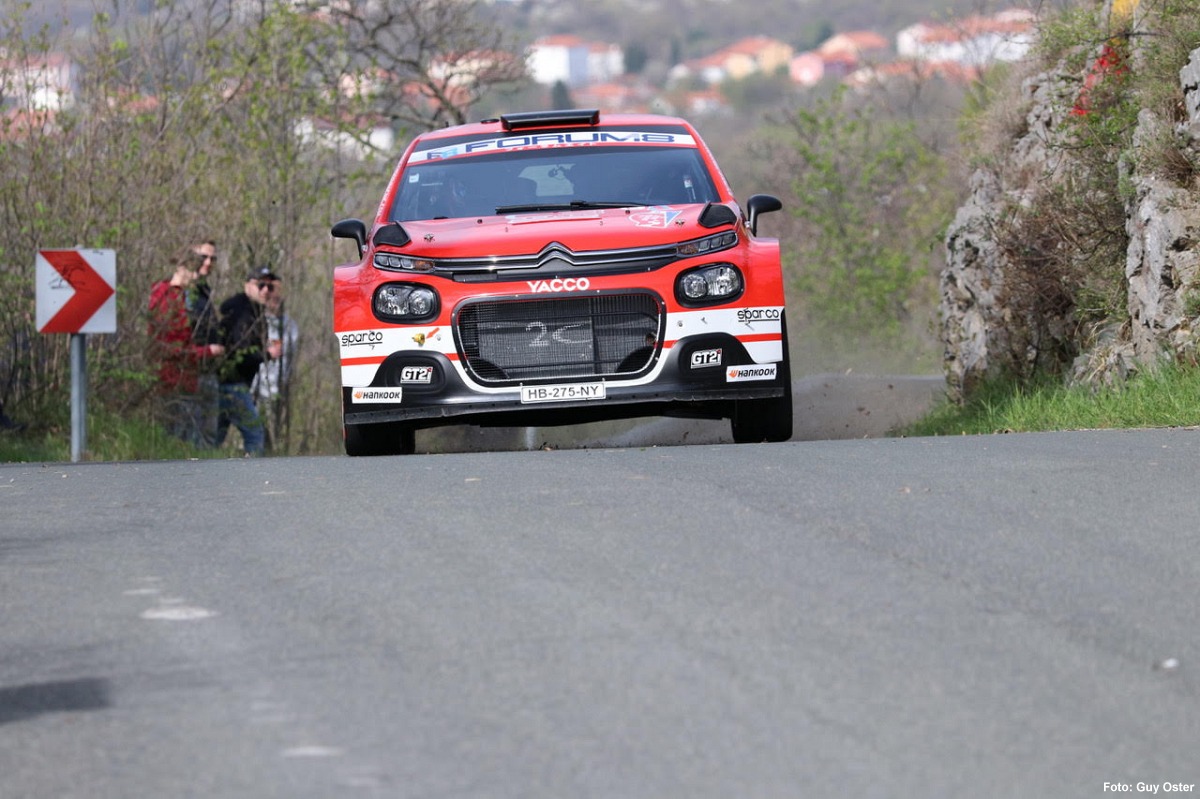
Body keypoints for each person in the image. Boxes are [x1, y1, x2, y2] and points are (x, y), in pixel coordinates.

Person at [148, 247, 225, 446]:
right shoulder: (168, 298)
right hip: (173, 382)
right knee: (180, 441)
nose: (194, 277)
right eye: (192, 271)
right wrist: (206, 351)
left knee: (188, 441)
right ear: (181, 268)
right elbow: (170, 348)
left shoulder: (179, 297)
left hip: (185, 380)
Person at [214, 266, 281, 456]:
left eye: (270, 287)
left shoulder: (253, 312)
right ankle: (254, 473)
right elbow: (240, 352)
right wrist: (267, 354)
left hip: (229, 383)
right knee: (255, 435)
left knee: (215, 438)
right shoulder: (242, 312)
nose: (265, 290)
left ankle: (203, 468)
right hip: (232, 384)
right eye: (261, 285)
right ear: (248, 286)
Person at [251, 272, 299, 453]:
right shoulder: (258, 322)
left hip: (278, 391)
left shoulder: (289, 326)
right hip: (257, 390)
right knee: (256, 432)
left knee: (273, 436)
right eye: (268, 289)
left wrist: (286, 383)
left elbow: (291, 359)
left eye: (275, 289)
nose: (272, 295)